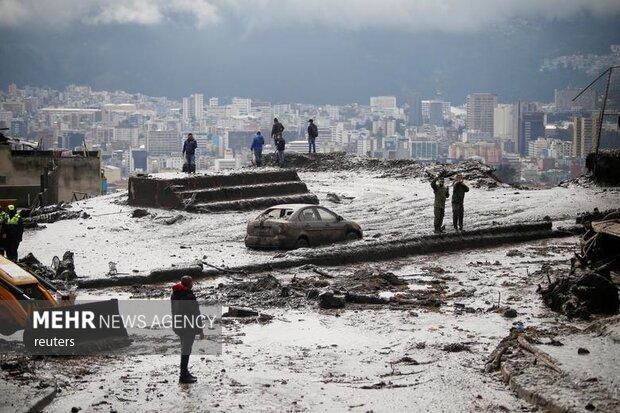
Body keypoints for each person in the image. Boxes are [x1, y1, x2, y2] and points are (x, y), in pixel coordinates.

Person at [171, 275, 204, 384]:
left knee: (184, 349)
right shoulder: (189, 297)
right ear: (189, 284)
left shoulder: (174, 295)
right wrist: (200, 330)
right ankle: (183, 375)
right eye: (192, 283)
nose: (193, 284)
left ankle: (185, 373)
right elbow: (196, 314)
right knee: (186, 350)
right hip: (188, 327)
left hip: (179, 326)